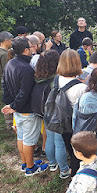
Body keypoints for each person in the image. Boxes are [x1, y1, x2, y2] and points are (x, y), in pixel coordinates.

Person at [1, 37, 48, 176]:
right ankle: (30, 168)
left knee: (21, 137)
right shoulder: (27, 69)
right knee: (29, 140)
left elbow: (4, 85)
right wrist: (14, 105)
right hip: (27, 110)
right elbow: (24, 92)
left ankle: (25, 163)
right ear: (26, 50)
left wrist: (10, 104)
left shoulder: (10, 64)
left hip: (17, 109)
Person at [30, 50, 69, 178]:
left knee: (50, 139)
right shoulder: (55, 80)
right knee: (59, 142)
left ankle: (52, 164)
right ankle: (64, 170)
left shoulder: (38, 78)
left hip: (44, 113)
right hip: (56, 113)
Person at [56, 49, 87, 177]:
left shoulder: (57, 79)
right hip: (76, 123)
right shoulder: (81, 87)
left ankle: (72, 170)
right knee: (79, 152)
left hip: (61, 120)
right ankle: (77, 175)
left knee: (70, 148)